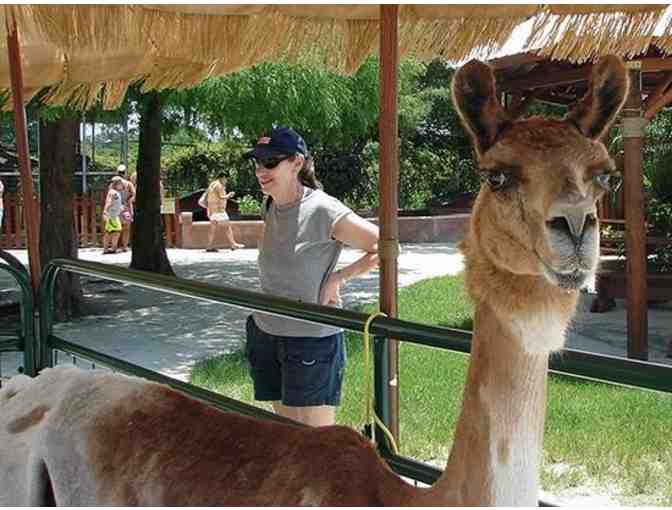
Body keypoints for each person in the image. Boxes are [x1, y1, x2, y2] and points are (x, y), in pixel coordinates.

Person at [244, 127, 379, 427]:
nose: (260, 171)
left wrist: (338, 278)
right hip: (267, 331)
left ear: (297, 163)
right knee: (286, 433)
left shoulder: (323, 208)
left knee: (315, 440)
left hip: (310, 339)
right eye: (257, 162)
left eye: (270, 162)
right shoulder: (270, 204)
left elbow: (384, 246)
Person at [204, 172, 243, 252]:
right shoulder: (219, 185)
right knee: (227, 227)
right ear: (222, 177)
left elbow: (209, 196)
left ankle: (209, 246)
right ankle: (233, 244)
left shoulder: (212, 184)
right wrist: (229, 195)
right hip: (219, 211)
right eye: (226, 179)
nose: (226, 181)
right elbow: (221, 197)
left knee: (212, 229)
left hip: (212, 210)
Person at [115, 164, 136, 252]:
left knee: (116, 227)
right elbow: (134, 194)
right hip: (126, 208)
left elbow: (110, 194)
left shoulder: (113, 184)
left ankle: (115, 246)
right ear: (125, 173)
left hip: (116, 207)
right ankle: (124, 246)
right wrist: (129, 201)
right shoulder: (129, 184)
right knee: (126, 227)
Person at [102, 176, 125, 254]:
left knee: (111, 232)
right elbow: (109, 202)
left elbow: (114, 202)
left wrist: (120, 208)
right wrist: (105, 211)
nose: (122, 185)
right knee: (115, 231)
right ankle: (112, 248)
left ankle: (109, 248)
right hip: (112, 216)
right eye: (121, 184)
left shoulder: (115, 192)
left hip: (115, 215)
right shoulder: (113, 192)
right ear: (116, 184)